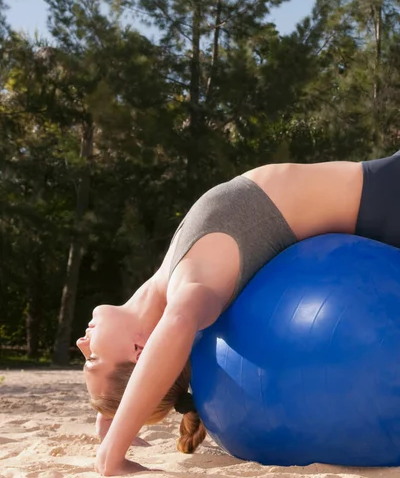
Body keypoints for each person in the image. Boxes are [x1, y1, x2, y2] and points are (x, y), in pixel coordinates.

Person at [76, 152, 400, 476]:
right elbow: (174, 328)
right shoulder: (192, 287)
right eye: (92, 359)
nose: (81, 343)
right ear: (139, 350)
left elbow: (143, 366)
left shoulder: (169, 276)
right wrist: (112, 454)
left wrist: (110, 416)